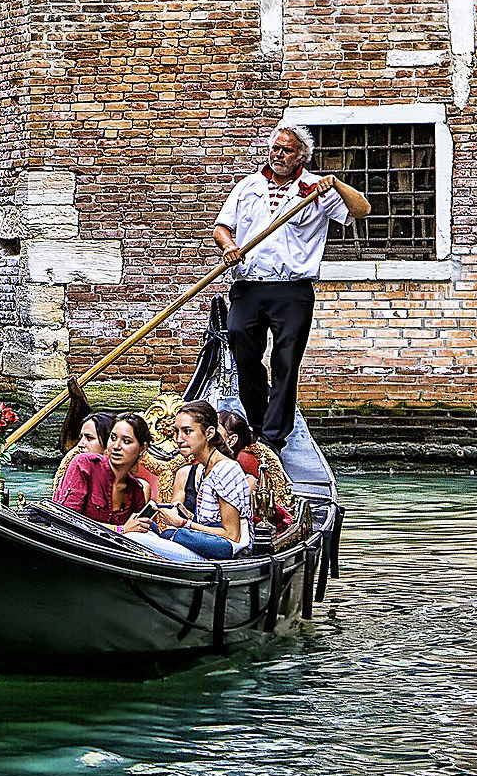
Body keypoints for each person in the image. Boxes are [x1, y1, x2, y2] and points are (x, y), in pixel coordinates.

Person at [212, 124, 372, 448]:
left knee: (285, 361)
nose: (278, 154)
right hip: (249, 284)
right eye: (275, 148)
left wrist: (337, 185)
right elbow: (221, 228)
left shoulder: (317, 189)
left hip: (293, 289)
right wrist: (229, 246)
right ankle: (257, 424)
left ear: (301, 155)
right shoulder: (248, 187)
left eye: (286, 150)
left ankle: (274, 436)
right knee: (243, 350)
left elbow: (362, 210)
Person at [121, 401, 253, 563]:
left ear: (209, 433)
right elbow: (210, 522)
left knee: (133, 539)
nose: (178, 439)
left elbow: (232, 534)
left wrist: (183, 522)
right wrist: (187, 514)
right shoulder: (205, 469)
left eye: (187, 431)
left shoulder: (226, 469)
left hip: (222, 554)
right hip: (203, 545)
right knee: (144, 530)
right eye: (177, 431)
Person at [53, 413, 154, 527]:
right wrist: (119, 530)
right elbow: (66, 519)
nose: (116, 446)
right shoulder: (84, 464)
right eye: (113, 438)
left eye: (126, 441)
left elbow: (136, 529)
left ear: (142, 448)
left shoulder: (136, 490)